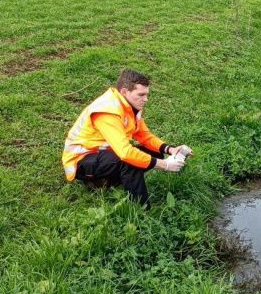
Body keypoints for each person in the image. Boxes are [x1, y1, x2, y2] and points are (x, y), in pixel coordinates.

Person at [61, 69, 192, 206]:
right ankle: (141, 208)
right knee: (130, 161)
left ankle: (107, 181)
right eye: (141, 94)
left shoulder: (130, 106)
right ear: (124, 92)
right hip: (82, 160)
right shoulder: (107, 111)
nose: (146, 99)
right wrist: (164, 165)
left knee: (154, 152)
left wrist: (170, 149)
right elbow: (125, 153)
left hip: (105, 154)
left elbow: (144, 135)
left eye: (147, 94)